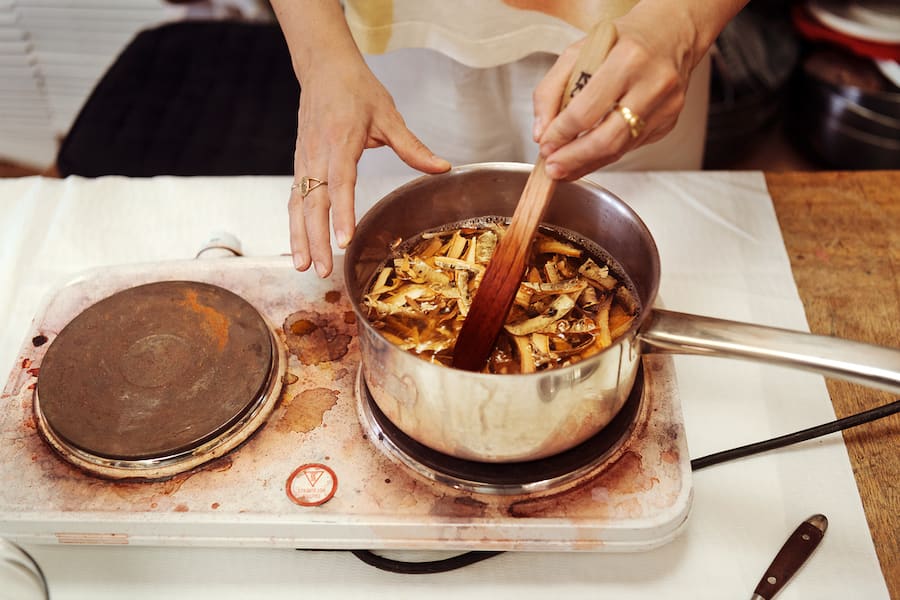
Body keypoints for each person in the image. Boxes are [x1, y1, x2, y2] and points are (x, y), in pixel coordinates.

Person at [271, 0, 748, 277]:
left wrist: (684, 22)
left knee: (665, 255)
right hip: (393, 42)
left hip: (643, 43)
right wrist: (320, 57)